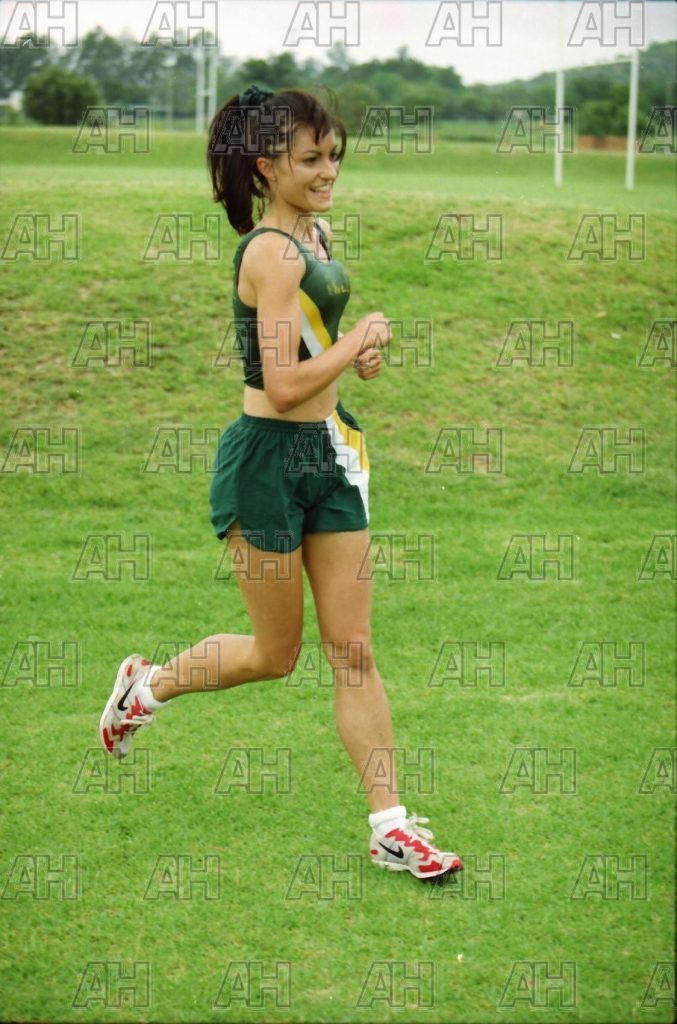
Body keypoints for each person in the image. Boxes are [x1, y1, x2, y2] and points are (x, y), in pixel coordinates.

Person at [99, 85, 462, 884]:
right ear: (267, 167)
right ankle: (145, 690)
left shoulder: (316, 233)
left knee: (353, 649)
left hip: (326, 455)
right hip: (265, 462)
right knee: (275, 654)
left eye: (333, 155)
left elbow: (313, 350)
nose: (328, 170)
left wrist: (355, 355)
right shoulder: (270, 252)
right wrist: (355, 341)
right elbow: (282, 382)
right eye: (310, 159)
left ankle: (390, 827)